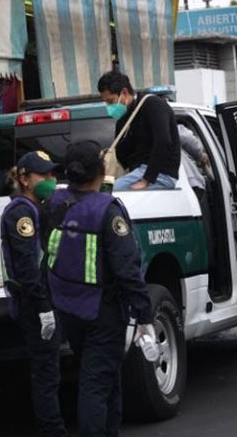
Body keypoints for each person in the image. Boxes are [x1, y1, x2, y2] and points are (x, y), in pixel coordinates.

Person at [42, 140, 154, 437]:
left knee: (107, 376)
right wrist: (144, 314)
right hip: (103, 311)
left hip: (69, 307)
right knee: (96, 383)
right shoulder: (107, 210)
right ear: (101, 170)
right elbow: (127, 268)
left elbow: (45, 251)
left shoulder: (54, 203)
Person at [0, 151, 67, 437]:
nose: (51, 179)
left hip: (46, 299)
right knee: (46, 374)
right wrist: (43, 308)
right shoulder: (21, 212)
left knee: (50, 370)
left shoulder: (37, 208)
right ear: (25, 179)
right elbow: (27, 266)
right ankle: (52, 430)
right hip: (34, 303)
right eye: (44, 174)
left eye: (53, 173)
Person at [97, 70, 180, 191]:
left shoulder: (153, 105)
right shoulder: (124, 118)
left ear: (124, 92)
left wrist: (146, 180)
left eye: (110, 101)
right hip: (134, 173)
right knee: (101, 190)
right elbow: (119, 155)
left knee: (108, 192)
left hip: (160, 174)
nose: (109, 107)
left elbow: (163, 141)